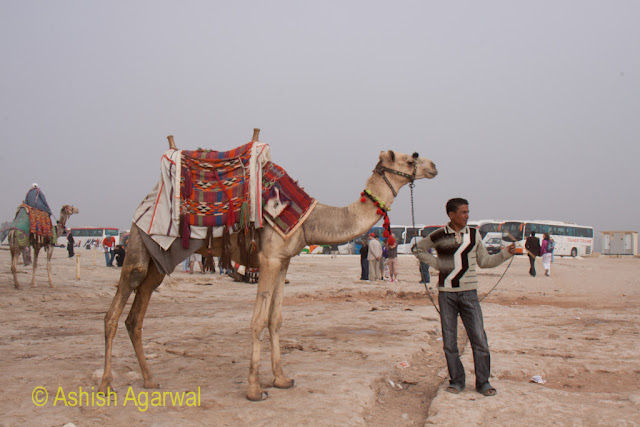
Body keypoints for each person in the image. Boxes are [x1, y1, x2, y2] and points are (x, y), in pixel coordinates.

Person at [413, 198, 516, 397]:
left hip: (469, 294)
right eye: (463, 212)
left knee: (479, 339)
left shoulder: (474, 235)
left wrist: (505, 254)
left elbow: (485, 261)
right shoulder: (438, 235)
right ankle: (457, 381)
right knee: (449, 342)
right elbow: (417, 249)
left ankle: (483, 382)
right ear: (451, 215)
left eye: (468, 212)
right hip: (446, 295)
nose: (467, 216)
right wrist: (437, 264)